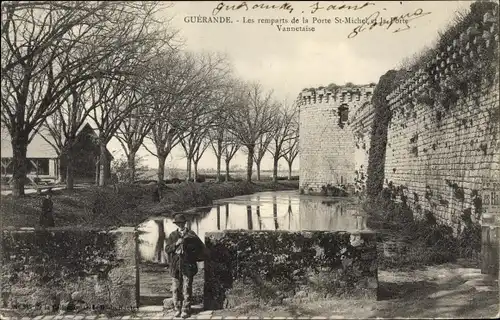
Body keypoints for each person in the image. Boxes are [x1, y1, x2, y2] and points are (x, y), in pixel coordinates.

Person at [164, 213, 206, 318]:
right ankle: (177, 309)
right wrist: (176, 244)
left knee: (187, 287)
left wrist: (189, 250)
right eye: (178, 223)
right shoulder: (173, 235)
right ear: (176, 224)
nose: (180, 225)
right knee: (175, 288)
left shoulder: (191, 234)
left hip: (187, 265)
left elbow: (199, 248)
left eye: (182, 223)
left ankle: (186, 309)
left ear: (185, 223)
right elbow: (167, 249)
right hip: (176, 265)